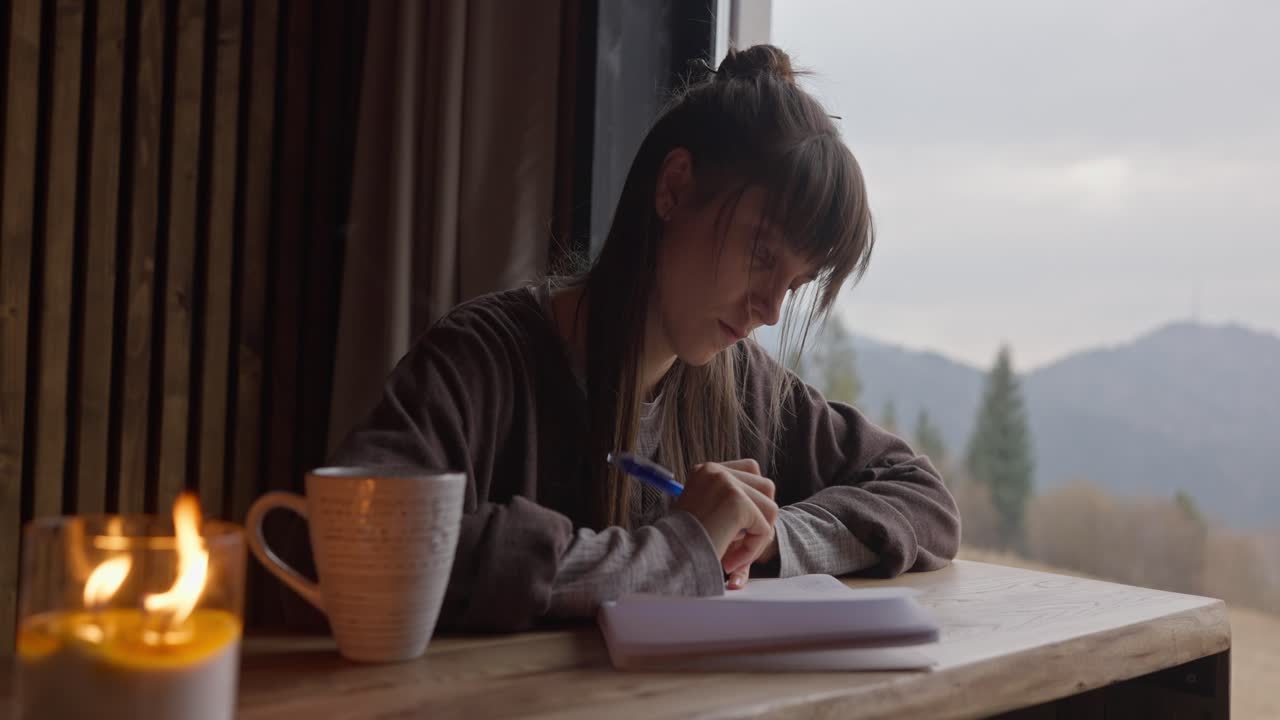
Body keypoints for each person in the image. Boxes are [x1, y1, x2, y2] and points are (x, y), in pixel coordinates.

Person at [327, 45, 960, 632]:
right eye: (761, 252)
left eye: (793, 286)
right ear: (675, 187)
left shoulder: (745, 387)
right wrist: (675, 554)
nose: (769, 310)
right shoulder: (482, 360)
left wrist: (772, 535)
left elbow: (922, 497)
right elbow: (370, 536)